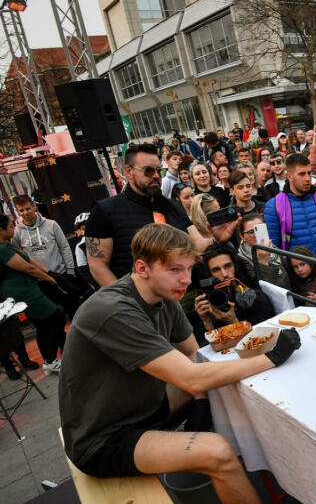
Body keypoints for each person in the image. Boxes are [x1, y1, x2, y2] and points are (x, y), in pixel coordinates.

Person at [60, 223, 316, 504]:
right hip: (102, 437)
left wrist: (253, 331)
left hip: (143, 405)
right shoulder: (112, 309)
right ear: (142, 268)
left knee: (215, 387)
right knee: (217, 452)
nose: (185, 279)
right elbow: (191, 375)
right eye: (175, 269)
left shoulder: (163, 296)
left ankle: (242, 450)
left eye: (188, 269)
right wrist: (270, 357)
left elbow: (198, 352)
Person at [86, 143, 190, 286]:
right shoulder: (104, 211)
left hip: (183, 294)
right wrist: (128, 300)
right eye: (148, 171)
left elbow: (196, 244)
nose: (155, 176)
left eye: (159, 171)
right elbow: (97, 266)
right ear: (129, 172)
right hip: (136, 300)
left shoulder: (174, 206)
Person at [0, 214, 66, 374]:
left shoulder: (8, 245)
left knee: (43, 325)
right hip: (23, 292)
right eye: (10, 226)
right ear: (0, 230)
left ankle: (49, 361)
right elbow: (26, 268)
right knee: (58, 318)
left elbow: (29, 261)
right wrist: (49, 278)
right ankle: (50, 360)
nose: (14, 228)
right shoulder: (1, 249)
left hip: (27, 288)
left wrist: (49, 272)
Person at [264, 153, 316, 259]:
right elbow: (275, 248)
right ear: (289, 176)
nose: (308, 178)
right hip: (294, 271)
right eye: (302, 174)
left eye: (309, 173)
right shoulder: (273, 206)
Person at [193, 245, 275, 338]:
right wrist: (207, 321)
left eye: (227, 266)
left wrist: (233, 322)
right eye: (216, 270)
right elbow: (213, 347)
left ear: (235, 266)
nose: (224, 274)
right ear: (210, 274)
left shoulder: (255, 298)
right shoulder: (210, 300)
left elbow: (264, 339)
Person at [237, 213, 289, 288]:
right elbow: (261, 288)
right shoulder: (241, 260)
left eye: (261, 230)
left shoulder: (273, 248)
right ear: (242, 236)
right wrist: (262, 262)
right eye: (251, 232)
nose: (257, 235)